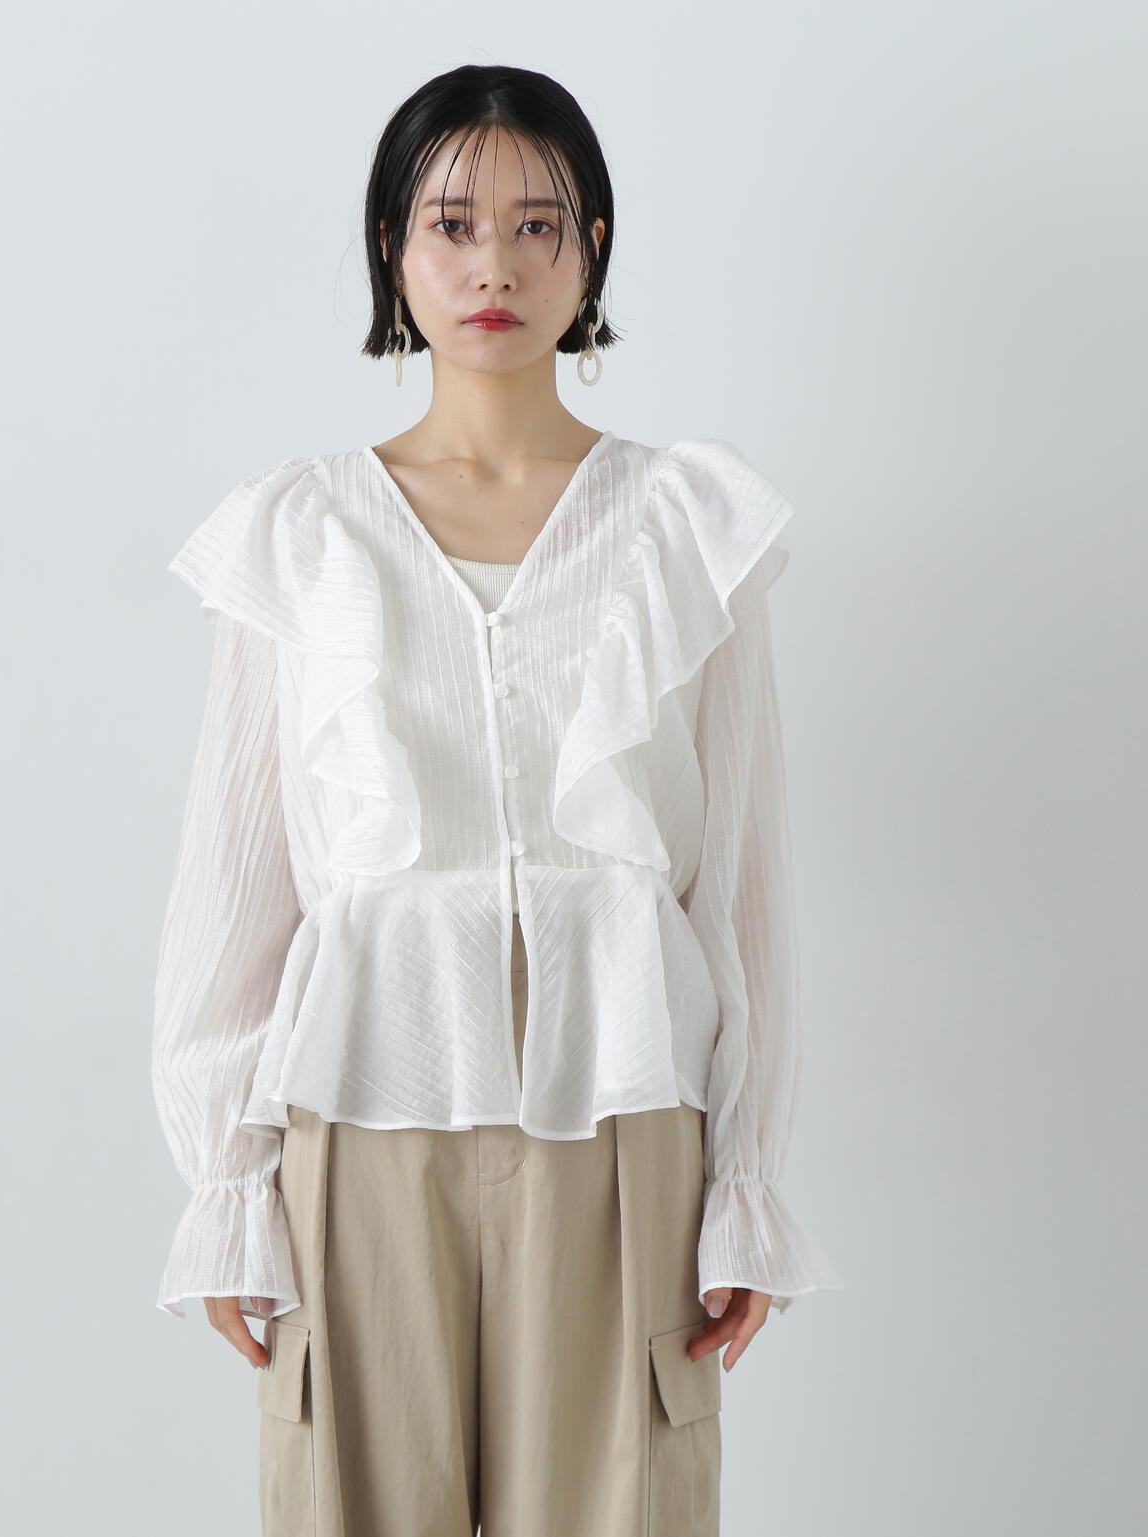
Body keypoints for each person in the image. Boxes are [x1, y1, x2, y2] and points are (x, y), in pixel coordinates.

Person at [151, 62, 845, 1537]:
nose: (494, 266)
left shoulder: (685, 524)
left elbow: (740, 882)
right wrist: (226, 1183)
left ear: (591, 250)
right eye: (451, 224)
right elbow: (238, 882)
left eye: (539, 225)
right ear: (391, 252)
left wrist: (745, 1180)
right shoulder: (301, 533)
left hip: (624, 1115)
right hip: (361, 1108)